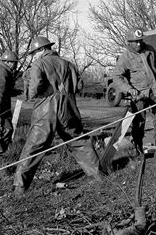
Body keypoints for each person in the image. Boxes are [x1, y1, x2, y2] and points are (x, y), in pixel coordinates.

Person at [13, 36, 101, 197]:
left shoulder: (38, 64)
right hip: (68, 107)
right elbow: (79, 86)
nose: (34, 55)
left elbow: (34, 88)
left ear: (40, 50)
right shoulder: (68, 64)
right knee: (79, 141)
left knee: (33, 147)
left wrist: (30, 94)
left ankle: (20, 188)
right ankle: (98, 175)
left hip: (46, 109)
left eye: (34, 52)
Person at [112, 27, 156, 155]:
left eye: (140, 41)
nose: (139, 44)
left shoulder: (150, 50)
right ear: (129, 42)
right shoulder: (125, 57)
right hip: (139, 94)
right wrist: (129, 89)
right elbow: (117, 77)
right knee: (138, 122)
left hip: (155, 92)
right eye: (135, 41)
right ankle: (138, 147)